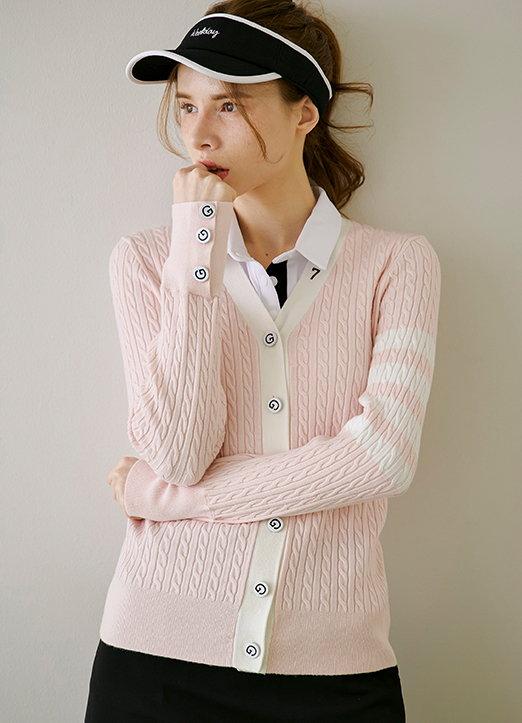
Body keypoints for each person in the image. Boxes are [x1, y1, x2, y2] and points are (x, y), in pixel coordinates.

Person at [85, 1, 441, 721]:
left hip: (335, 672)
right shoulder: (147, 262)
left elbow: (382, 459)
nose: (199, 134)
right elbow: (179, 453)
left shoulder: (397, 265)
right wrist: (196, 249)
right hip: (155, 663)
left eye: (230, 105)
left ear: (305, 112)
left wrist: (166, 499)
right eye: (187, 106)